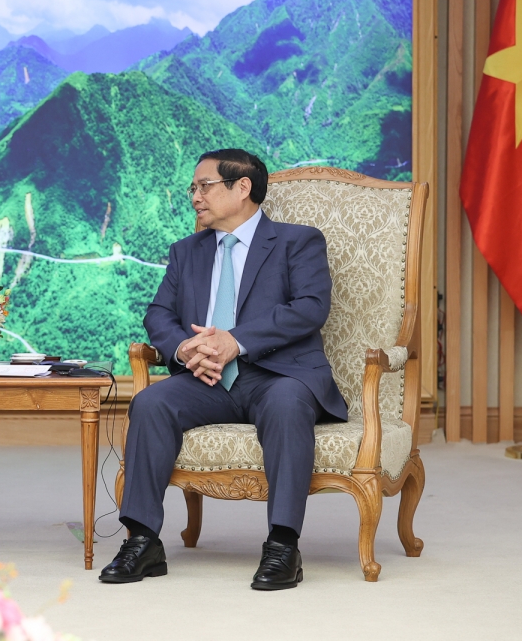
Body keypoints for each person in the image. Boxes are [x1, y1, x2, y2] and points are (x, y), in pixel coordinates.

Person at [100, 149, 345, 590]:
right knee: (150, 403)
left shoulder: (297, 241)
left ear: (242, 187)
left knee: (289, 405)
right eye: (193, 188)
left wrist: (235, 340)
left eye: (205, 185)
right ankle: (142, 540)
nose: (195, 196)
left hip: (278, 375)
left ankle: (283, 545)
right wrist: (185, 349)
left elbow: (311, 308)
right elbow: (159, 315)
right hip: (206, 379)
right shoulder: (186, 252)